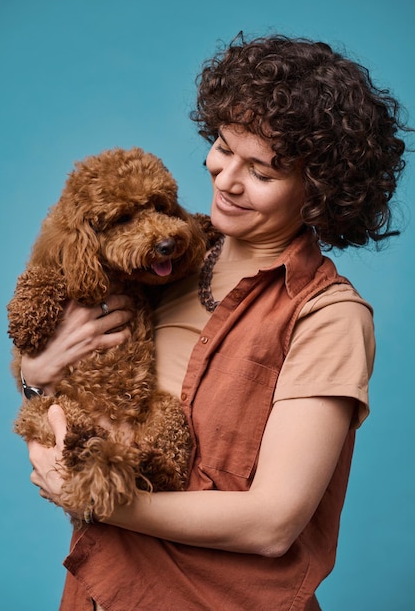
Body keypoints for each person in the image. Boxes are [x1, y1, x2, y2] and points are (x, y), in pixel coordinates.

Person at [23, 33, 408, 610]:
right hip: (99, 591)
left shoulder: (327, 318)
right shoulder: (159, 260)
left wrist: (98, 498)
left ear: (318, 191)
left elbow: (272, 523)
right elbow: (85, 391)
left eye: (262, 170)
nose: (227, 179)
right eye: (225, 147)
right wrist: (35, 374)